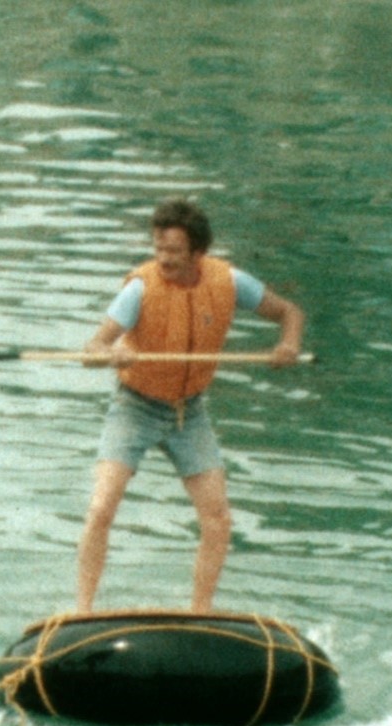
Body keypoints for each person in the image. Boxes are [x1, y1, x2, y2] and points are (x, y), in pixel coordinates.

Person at [75, 198, 305, 614]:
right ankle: (82, 612)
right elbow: (92, 349)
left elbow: (289, 312)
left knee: (218, 519)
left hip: (190, 414)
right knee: (101, 507)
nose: (163, 259)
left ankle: (200, 613)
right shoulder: (140, 287)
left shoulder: (231, 282)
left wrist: (288, 344)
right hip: (135, 407)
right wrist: (109, 355)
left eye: (174, 253)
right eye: (158, 249)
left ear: (199, 253)